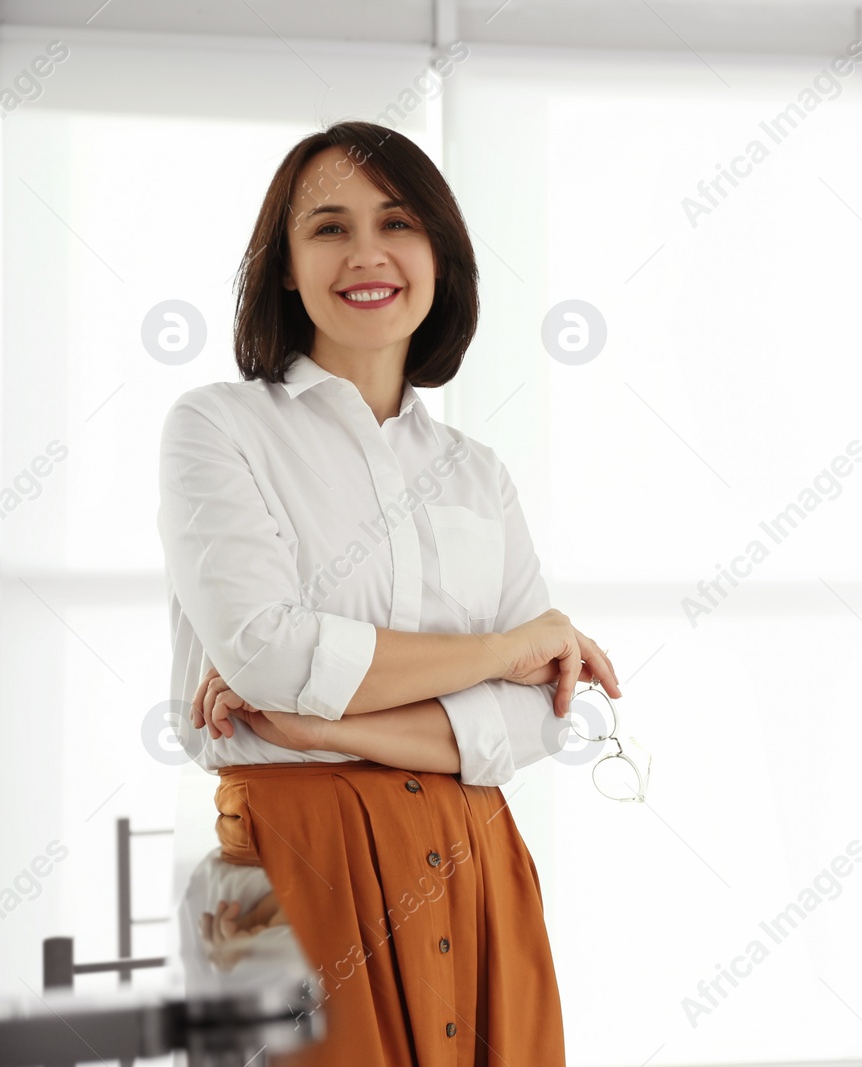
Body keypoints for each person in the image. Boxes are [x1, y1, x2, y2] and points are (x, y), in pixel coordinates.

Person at [156, 119, 619, 1065]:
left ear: (437, 252)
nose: (366, 252)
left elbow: (538, 722)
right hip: (282, 863)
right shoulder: (218, 427)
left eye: (395, 221)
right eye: (328, 227)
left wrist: (330, 726)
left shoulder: (475, 473)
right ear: (284, 265)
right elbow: (270, 655)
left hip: (473, 860)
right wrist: (505, 648)